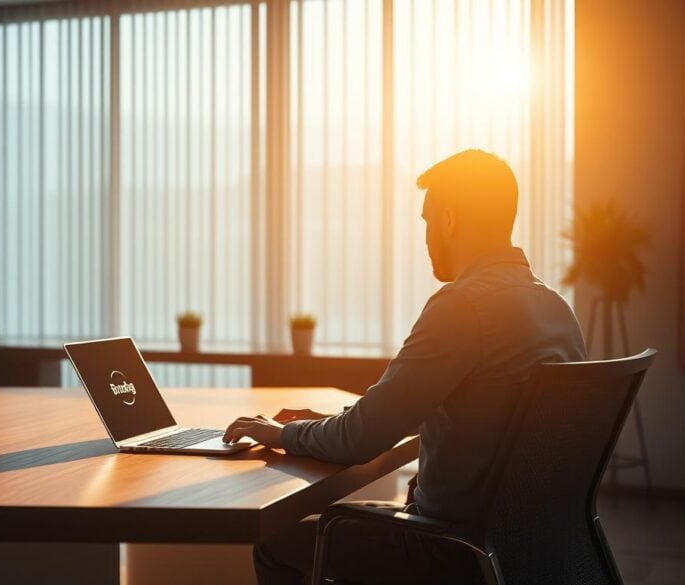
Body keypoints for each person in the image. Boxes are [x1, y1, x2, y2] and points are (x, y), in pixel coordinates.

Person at [223, 149, 586, 584]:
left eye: (427, 220)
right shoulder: (556, 309)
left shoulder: (464, 306)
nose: (427, 237)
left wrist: (282, 434)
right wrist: (335, 422)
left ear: (450, 219)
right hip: (523, 548)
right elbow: (477, 416)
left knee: (276, 544)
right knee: (344, 520)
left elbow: (359, 441)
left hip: (448, 549)